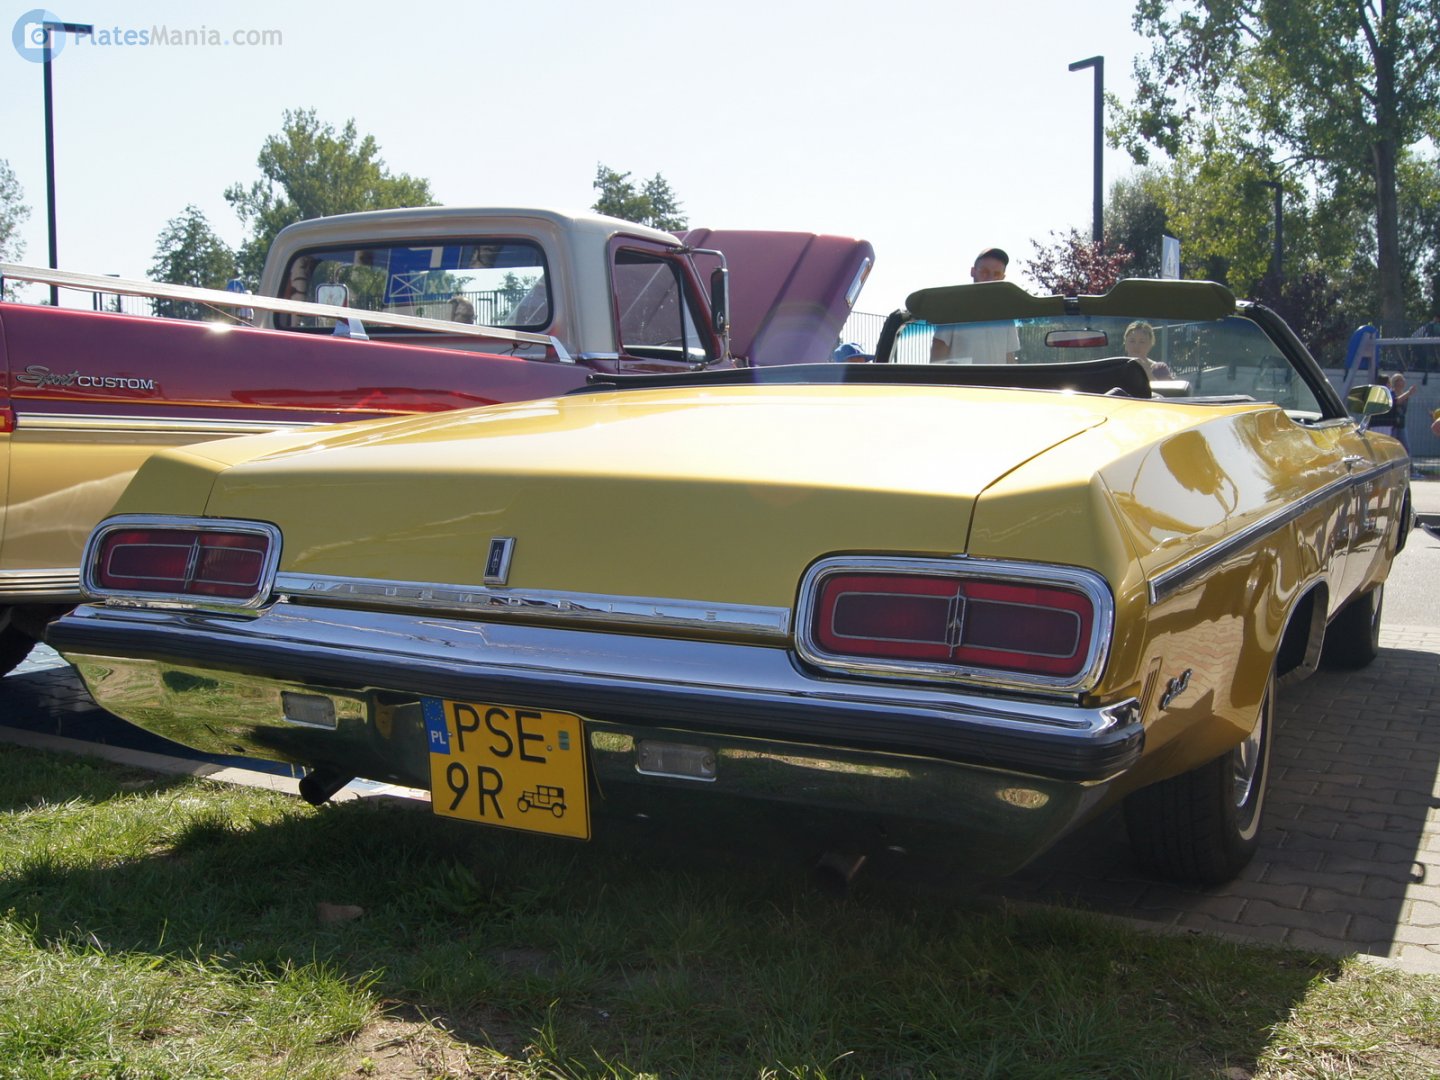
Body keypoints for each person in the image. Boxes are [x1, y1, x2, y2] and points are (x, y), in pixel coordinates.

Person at [931, 247, 1019, 364]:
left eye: (996, 274)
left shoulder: (1006, 316)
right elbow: (938, 353)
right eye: (984, 272)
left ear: (1003, 278)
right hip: (961, 382)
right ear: (973, 272)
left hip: (997, 382)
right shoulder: (953, 309)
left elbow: (1010, 359)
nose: (990, 279)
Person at [1374, 371, 1414, 451]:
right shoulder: (1390, 393)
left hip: (1399, 423)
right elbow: (1395, 401)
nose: (1402, 383)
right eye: (1399, 381)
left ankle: (1409, 462)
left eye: (1402, 380)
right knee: (1389, 446)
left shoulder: (1401, 395)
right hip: (1389, 424)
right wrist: (1409, 393)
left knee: (1404, 447)